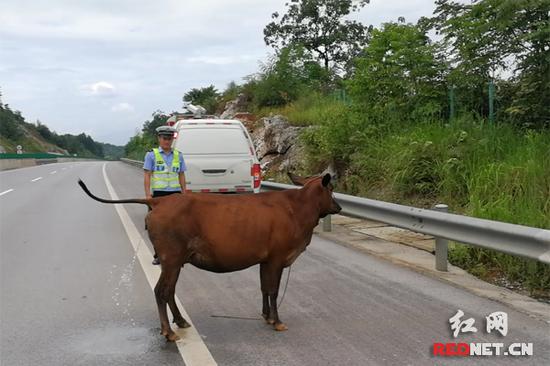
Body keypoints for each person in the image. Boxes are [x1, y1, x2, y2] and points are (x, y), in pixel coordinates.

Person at [143, 125, 187, 265]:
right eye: (164, 138)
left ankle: (179, 254)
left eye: (169, 139)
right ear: (159, 139)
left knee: (179, 226)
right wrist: (148, 196)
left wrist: (184, 193)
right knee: (158, 227)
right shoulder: (151, 155)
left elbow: (181, 175)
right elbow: (147, 176)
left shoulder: (178, 155)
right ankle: (158, 255)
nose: (167, 141)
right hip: (158, 196)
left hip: (175, 195)